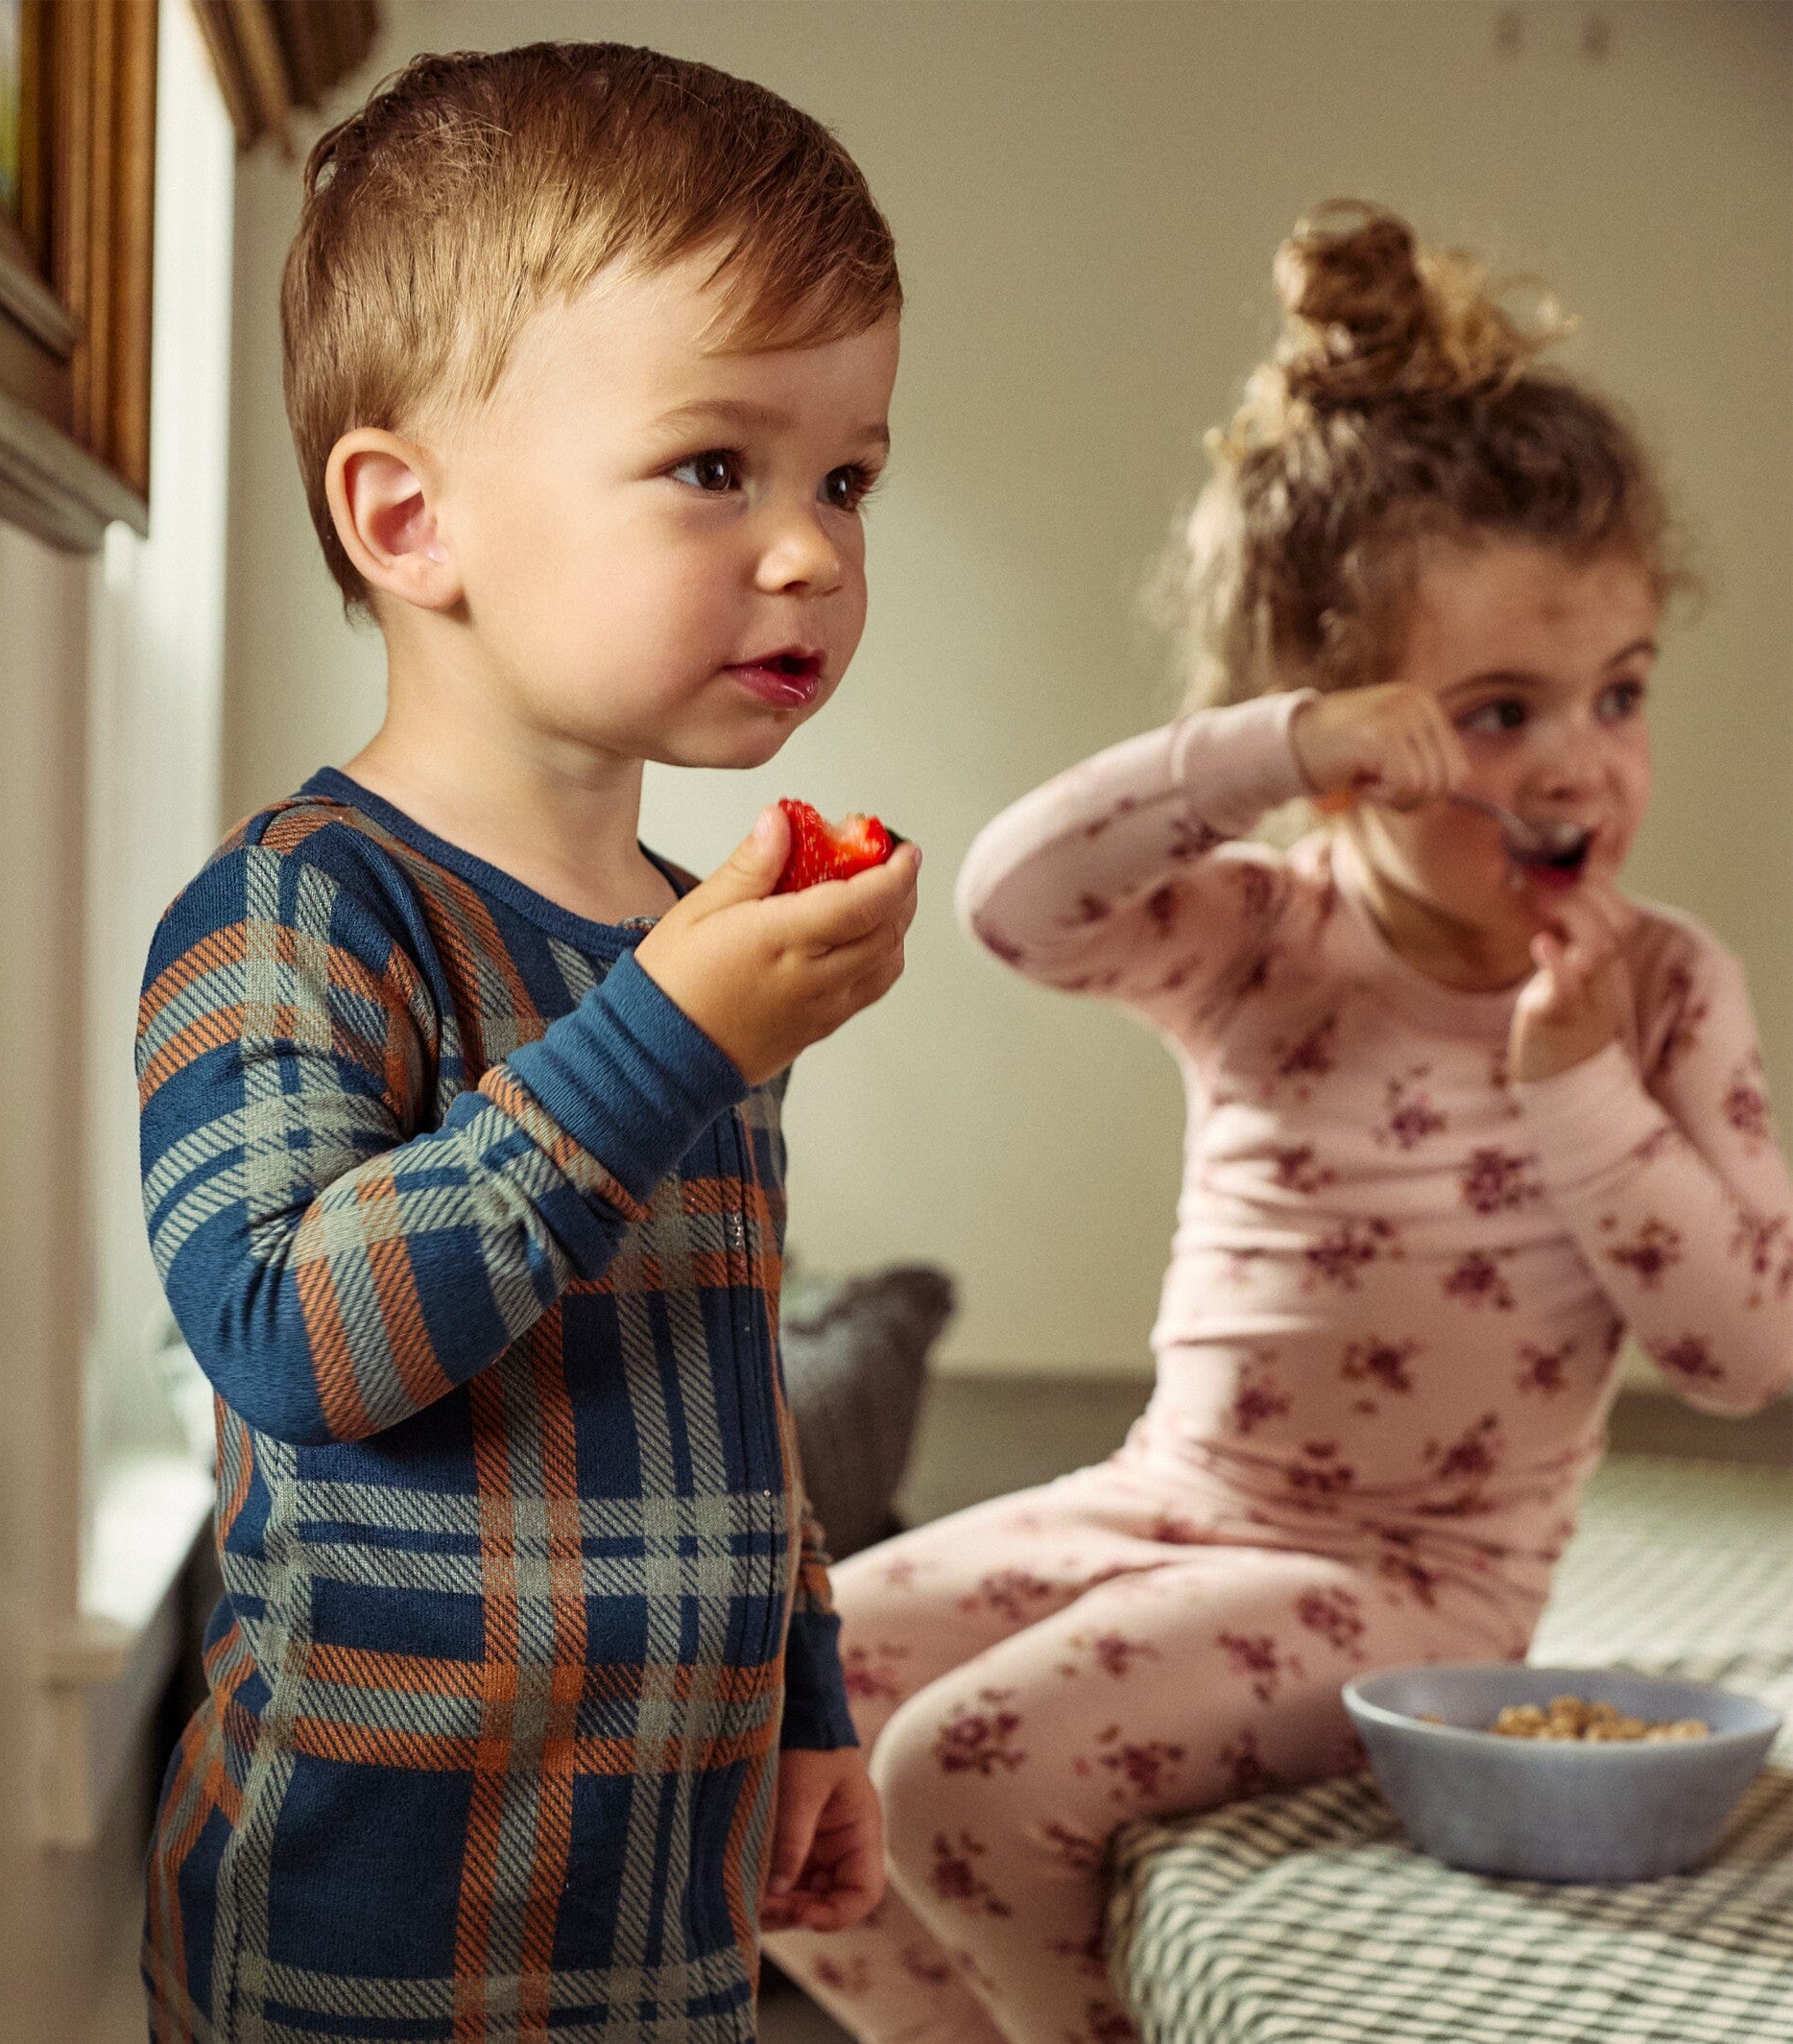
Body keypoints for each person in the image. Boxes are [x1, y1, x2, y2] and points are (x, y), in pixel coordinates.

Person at [763, 202, 1793, 2044]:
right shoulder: (1266, 925)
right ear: (1361, 724)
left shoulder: (1654, 992)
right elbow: (1012, 899)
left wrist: (1573, 1086)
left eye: (1616, 693)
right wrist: (1265, 750)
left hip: (1412, 1589)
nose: (1578, 760)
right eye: (1498, 710)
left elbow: (1740, 1348)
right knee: (763, 1714)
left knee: (960, 1775)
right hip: (1165, 1502)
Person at [133, 43, 912, 2043]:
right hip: (361, 1918)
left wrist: (809, 1701)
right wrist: (663, 1041)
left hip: (656, 1908)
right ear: (411, 518)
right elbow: (293, 1341)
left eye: (847, 474)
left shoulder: (686, 934)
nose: (814, 548)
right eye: (716, 466)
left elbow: (723, 1380)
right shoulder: (298, 909)